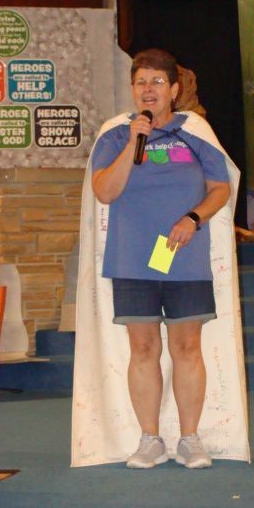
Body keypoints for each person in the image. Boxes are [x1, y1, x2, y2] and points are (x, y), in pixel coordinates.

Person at [90, 48, 233, 469]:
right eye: (140, 82)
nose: (147, 90)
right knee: (144, 347)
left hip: (183, 258)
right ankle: (149, 439)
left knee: (188, 346)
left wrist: (193, 218)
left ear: (173, 89)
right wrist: (136, 138)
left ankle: (190, 438)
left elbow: (220, 189)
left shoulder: (196, 132)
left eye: (156, 82)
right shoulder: (116, 135)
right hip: (132, 258)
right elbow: (105, 192)